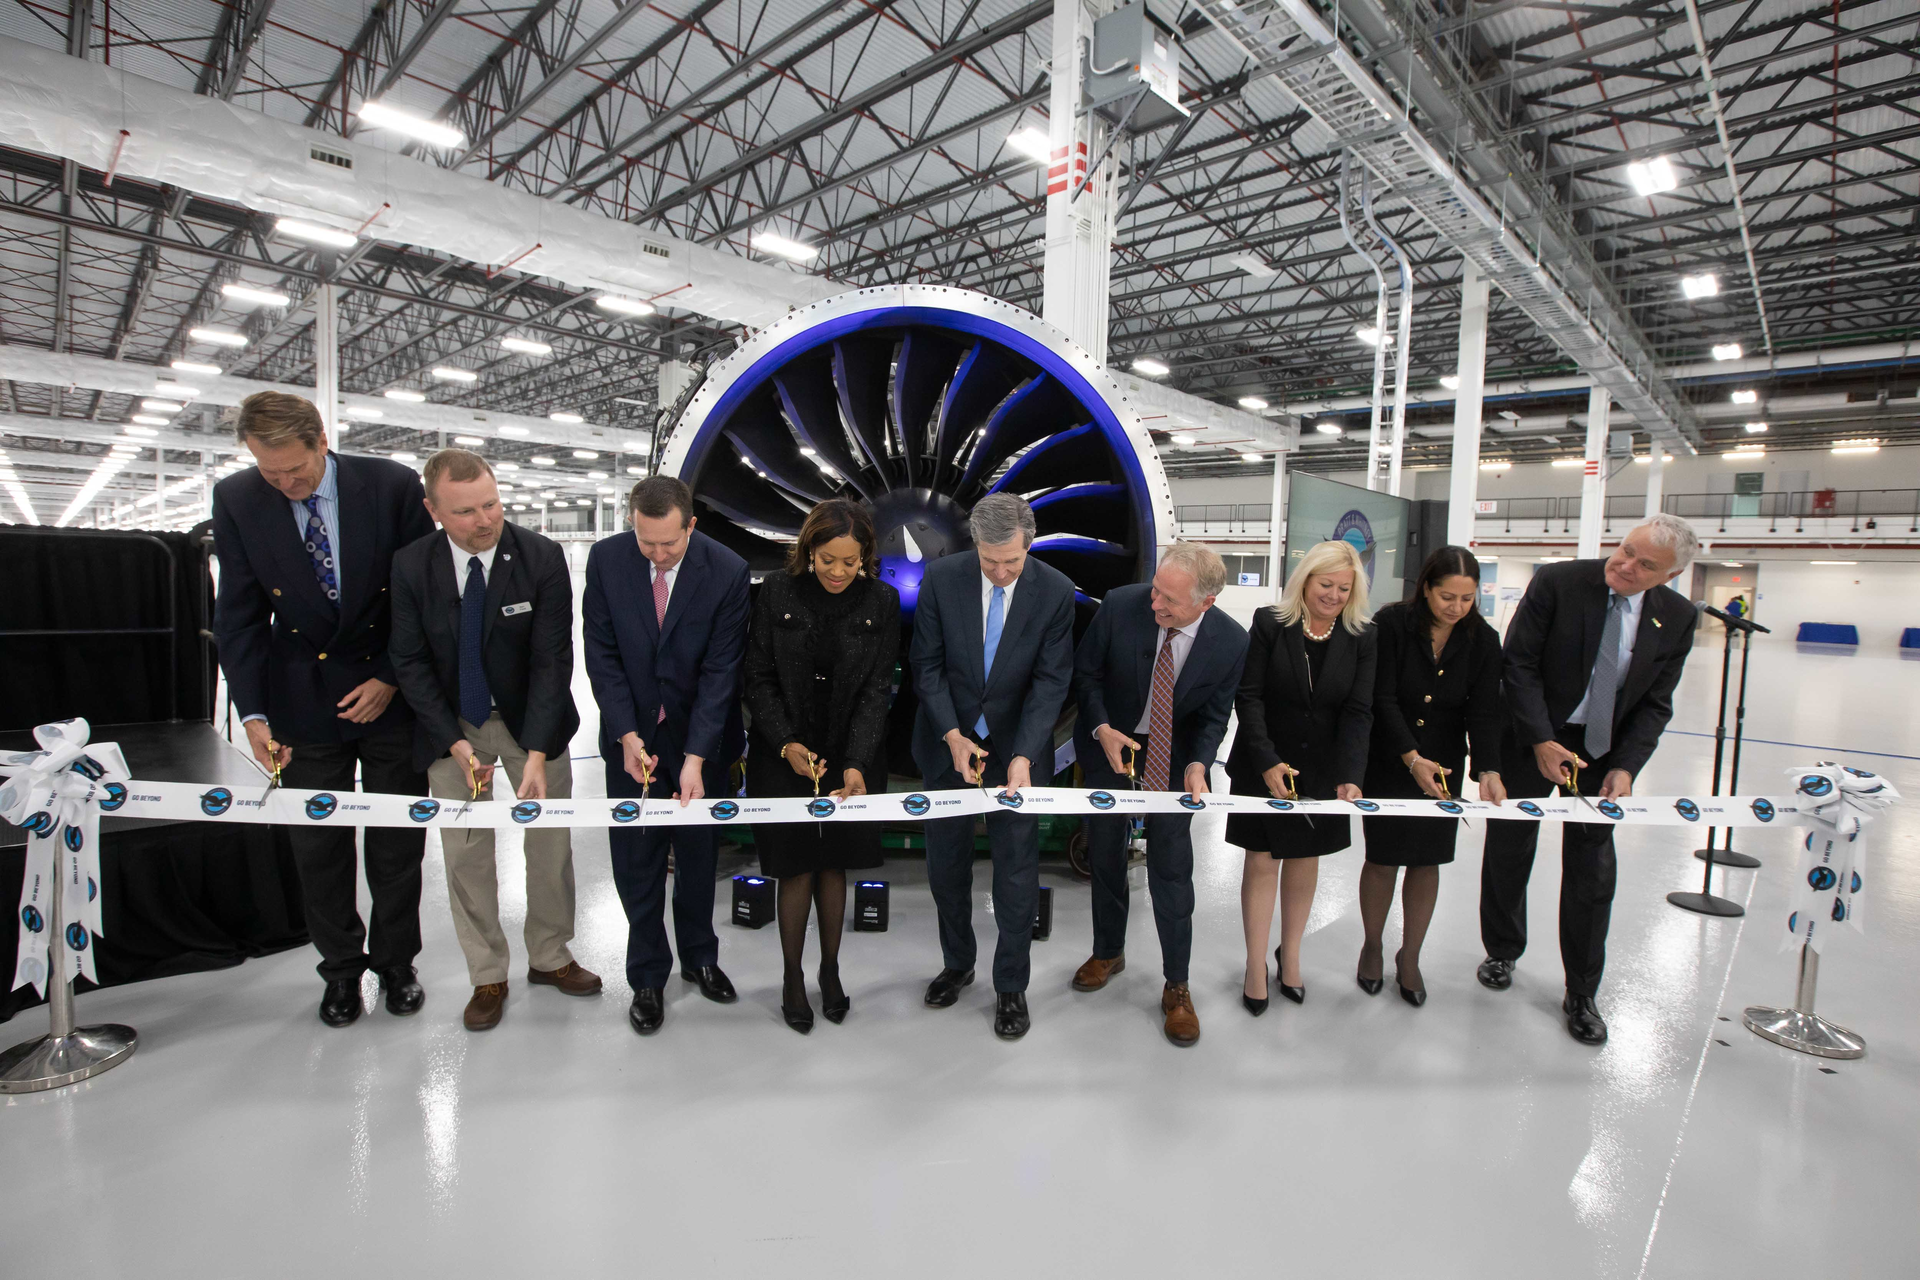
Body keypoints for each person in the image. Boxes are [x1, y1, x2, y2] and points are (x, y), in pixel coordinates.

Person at [211, 390, 435, 1027]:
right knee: (320, 847)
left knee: (397, 845)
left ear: (321, 441)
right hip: (302, 699)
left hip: (388, 698)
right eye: (269, 472)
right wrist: (251, 713)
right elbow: (241, 617)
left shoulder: (390, 486)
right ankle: (339, 971)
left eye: (296, 471)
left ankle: (397, 964)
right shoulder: (237, 499)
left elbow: (424, 598)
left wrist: (392, 676)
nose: (284, 484)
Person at [388, 449, 598, 1033]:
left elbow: (552, 659)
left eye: (492, 504)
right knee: (466, 853)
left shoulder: (541, 556)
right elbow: (408, 660)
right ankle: (487, 973)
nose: (484, 521)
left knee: (550, 845)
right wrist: (451, 741)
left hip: (534, 723)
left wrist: (535, 752)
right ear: (433, 510)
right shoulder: (411, 566)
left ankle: (551, 956)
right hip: (453, 726)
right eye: (465, 512)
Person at [1477, 515, 1700, 1045]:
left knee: (1592, 868)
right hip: (1532, 737)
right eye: (1625, 550)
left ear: (1669, 575)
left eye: (1645, 564)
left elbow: (1654, 703)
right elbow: (1520, 665)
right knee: (1510, 848)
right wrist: (1538, 739)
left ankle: (1581, 989)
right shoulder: (1559, 582)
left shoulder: (1678, 616)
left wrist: (1625, 766)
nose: (1625, 565)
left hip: (1599, 752)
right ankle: (1502, 951)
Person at [583, 476, 751, 1037]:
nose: (656, 556)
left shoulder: (726, 570)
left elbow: (720, 673)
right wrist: (627, 735)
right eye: (645, 543)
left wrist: (697, 758)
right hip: (632, 737)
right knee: (636, 859)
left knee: (699, 855)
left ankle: (701, 957)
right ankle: (647, 975)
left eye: (668, 545)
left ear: (691, 525)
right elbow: (602, 656)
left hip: (699, 736)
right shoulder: (606, 560)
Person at [909, 493, 1075, 1040]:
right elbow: (926, 666)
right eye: (989, 561)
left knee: (1017, 872)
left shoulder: (1053, 590)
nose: (1001, 572)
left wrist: (1025, 754)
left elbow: (1051, 682)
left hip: (1016, 752)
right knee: (945, 867)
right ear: (973, 544)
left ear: (1029, 544)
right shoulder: (941, 579)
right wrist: (952, 735)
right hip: (947, 745)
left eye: (1012, 561)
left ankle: (1011, 985)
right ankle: (958, 962)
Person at [1070, 543, 1248, 1046]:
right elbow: (1086, 677)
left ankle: (1177, 985)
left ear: (1206, 602)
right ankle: (1108, 951)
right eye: (1155, 592)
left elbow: (1215, 715)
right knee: (1104, 853)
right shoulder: (1121, 604)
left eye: (1169, 602)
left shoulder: (1231, 642)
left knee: (1171, 867)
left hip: (1174, 756)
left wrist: (1198, 764)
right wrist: (1102, 727)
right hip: (1111, 746)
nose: (1155, 607)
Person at [742, 499, 901, 1034]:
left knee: (835, 864)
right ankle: (792, 978)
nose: (837, 572)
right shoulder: (775, 595)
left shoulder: (883, 600)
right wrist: (784, 742)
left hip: (850, 758)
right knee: (796, 866)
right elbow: (758, 677)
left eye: (849, 562)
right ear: (809, 551)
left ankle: (829, 972)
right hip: (782, 753)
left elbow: (879, 690)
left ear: (866, 559)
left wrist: (856, 762)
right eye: (827, 559)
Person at [1226, 539, 1375, 1014]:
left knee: (1305, 862)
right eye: (1325, 584)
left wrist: (1351, 774)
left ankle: (1289, 956)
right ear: (1305, 581)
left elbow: (1358, 711)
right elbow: (1248, 697)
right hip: (1263, 762)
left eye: (1343, 588)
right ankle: (1254, 964)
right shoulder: (1271, 623)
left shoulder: (1362, 636)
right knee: (1264, 860)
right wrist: (1267, 759)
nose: (1333, 595)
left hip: (1323, 772)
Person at [1357, 546, 1506, 1007]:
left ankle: (1411, 956)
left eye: (1466, 598)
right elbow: (1381, 698)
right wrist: (1409, 756)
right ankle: (1373, 945)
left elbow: (1484, 711)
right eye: (1447, 596)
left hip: (1442, 766)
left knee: (1427, 860)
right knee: (1382, 859)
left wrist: (1488, 768)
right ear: (1426, 587)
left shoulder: (1483, 640)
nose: (1456, 607)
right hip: (1389, 757)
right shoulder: (1392, 624)